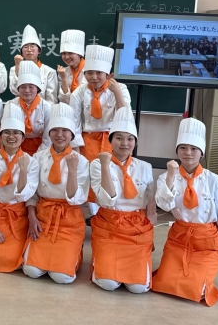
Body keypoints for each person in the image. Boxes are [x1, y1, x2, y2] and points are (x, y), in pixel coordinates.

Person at [152, 118, 218, 306]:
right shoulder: (166, 177)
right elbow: (164, 205)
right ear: (177, 151)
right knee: (163, 283)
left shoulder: (216, 182)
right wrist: (171, 175)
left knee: (198, 292)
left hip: (207, 243)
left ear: (201, 153)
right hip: (179, 239)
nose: (188, 153)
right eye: (183, 148)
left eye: (193, 149)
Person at [89, 107, 156, 294]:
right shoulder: (97, 164)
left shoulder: (145, 166)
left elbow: (151, 204)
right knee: (108, 283)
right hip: (108, 225)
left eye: (130, 139)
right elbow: (107, 201)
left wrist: (149, 237)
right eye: (118, 138)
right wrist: (105, 165)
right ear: (110, 141)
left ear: (135, 142)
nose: (124, 143)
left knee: (139, 288)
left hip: (136, 228)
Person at [23, 102, 90, 284]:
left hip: (69, 221)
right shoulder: (38, 157)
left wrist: (72, 169)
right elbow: (32, 193)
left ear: (72, 134)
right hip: (43, 219)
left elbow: (77, 199)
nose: (60, 135)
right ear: (49, 133)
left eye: (65, 130)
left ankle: (76, 251)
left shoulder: (81, 161)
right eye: (55, 130)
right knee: (31, 271)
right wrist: (32, 218)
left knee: (62, 277)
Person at [0, 103, 40, 273]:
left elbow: (24, 195)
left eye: (16, 133)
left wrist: (23, 169)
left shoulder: (32, 162)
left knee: (17, 262)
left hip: (17, 217)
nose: (11, 136)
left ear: (23, 137)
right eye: (7, 132)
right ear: (0, 136)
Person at [69, 44, 130, 217]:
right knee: (90, 178)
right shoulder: (79, 92)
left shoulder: (121, 89)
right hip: (88, 140)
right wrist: (76, 149)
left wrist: (116, 92)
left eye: (98, 73)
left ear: (108, 74)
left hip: (114, 140)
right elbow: (74, 122)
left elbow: (125, 117)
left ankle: (112, 212)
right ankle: (95, 215)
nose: (94, 77)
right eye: (89, 73)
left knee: (113, 175)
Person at [6, 61, 51, 155]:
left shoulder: (47, 107)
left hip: (40, 148)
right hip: (15, 147)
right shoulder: (11, 105)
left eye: (31, 87)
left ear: (37, 88)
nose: (27, 90)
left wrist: (38, 156)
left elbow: (48, 137)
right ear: (18, 88)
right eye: (22, 87)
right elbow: (6, 133)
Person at [9, 24, 58, 103]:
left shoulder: (49, 72)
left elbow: (51, 100)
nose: (29, 50)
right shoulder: (14, 69)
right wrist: (18, 67)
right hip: (20, 108)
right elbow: (15, 91)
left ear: (39, 51)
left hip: (43, 109)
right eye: (25, 47)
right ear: (21, 52)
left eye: (32, 46)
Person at [56, 30, 86, 105]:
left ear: (80, 54)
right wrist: (63, 78)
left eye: (70, 53)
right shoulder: (63, 72)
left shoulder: (91, 71)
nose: (66, 57)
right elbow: (64, 101)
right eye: (63, 53)